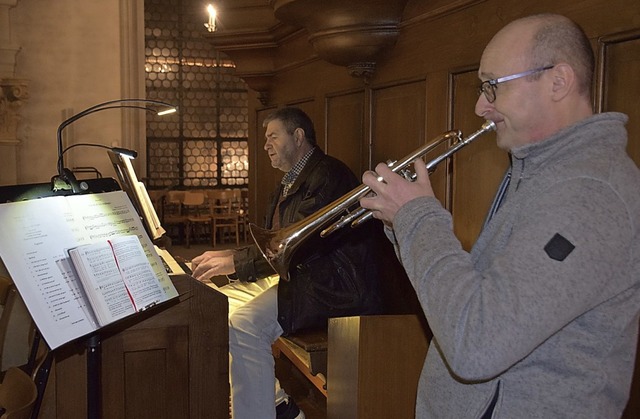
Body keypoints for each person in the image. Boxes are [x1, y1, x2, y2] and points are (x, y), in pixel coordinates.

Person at [360, 13, 640, 418]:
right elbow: (477, 296)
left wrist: (418, 218)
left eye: (492, 86)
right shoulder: (541, 169)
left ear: (558, 82)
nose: (480, 106)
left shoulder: (590, 193)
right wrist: (402, 224)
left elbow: (477, 344)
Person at [191, 107, 386, 419]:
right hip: (308, 276)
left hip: (336, 286)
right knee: (218, 304)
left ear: (298, 137)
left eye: (273, 136)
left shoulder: (327, 175)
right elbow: (276, 242)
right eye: (265, 138)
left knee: (243, 326)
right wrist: (228, 257)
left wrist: (236, 262)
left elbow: (299, 245)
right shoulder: (289, 182)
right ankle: (276, 403)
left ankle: (266, 410)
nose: (266, 144)